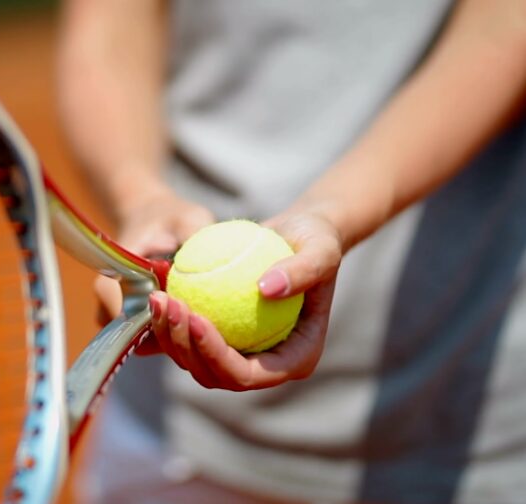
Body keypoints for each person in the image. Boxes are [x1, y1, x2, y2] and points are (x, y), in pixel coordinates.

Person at [57, 0, 526, 502]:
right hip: (175, 436)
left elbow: (506, 26)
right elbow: (109, 22)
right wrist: (141, 196)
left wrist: (334, 213)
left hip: (458, 433)